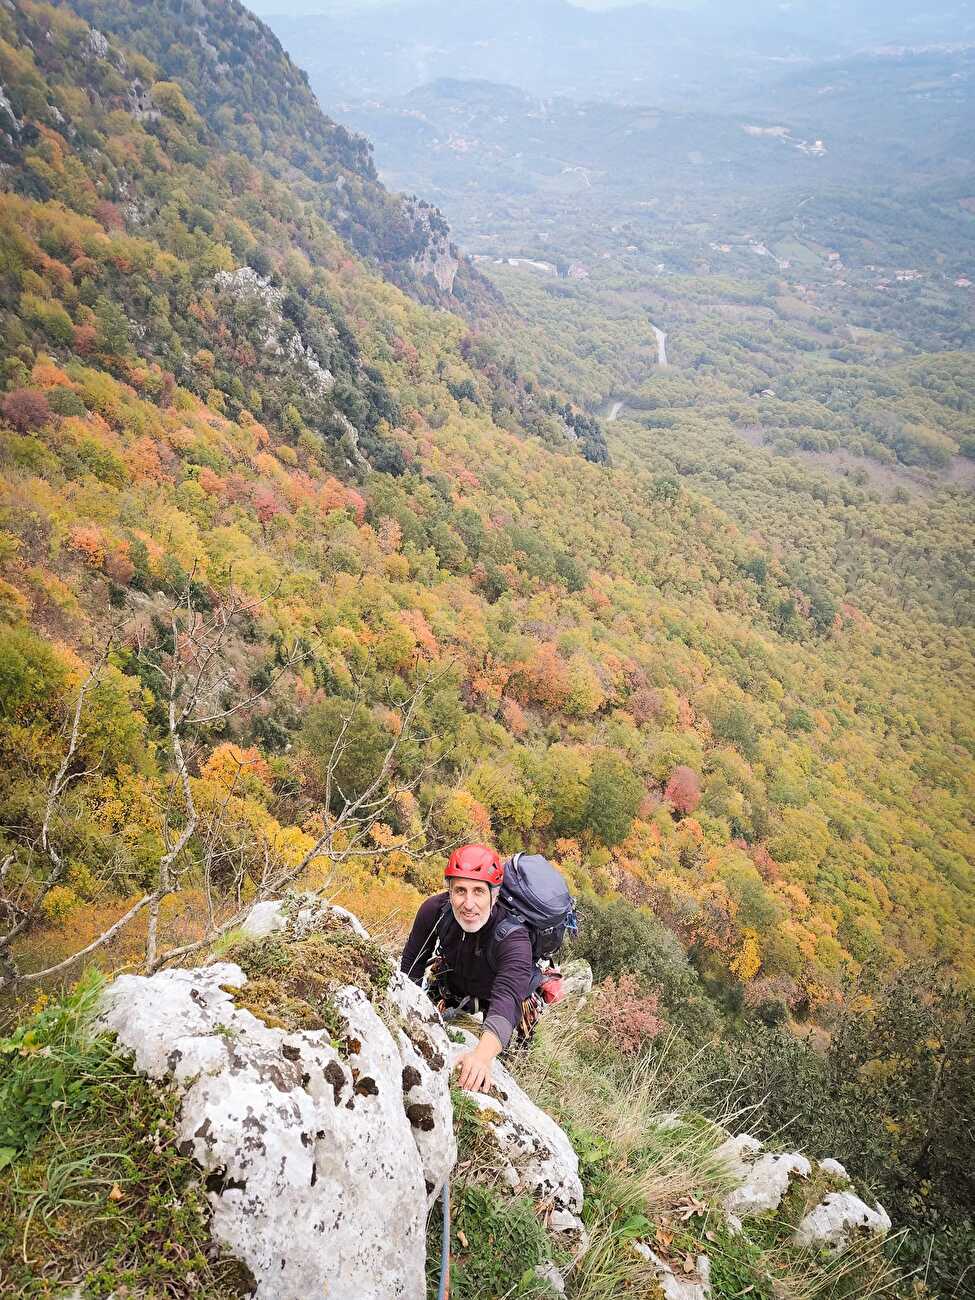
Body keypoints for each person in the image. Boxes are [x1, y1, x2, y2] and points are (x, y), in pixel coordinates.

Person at [400, 843, 538, 1093]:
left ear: (494, 896)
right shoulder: (435, 911)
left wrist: (482, 1057)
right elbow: (413, 964)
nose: (468, 903)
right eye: (460, 891)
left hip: (493, 998)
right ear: (449, 891)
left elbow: (507, 999)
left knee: (505, 1055)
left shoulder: (514, 939)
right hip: (452, 986)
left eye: (478, 892)